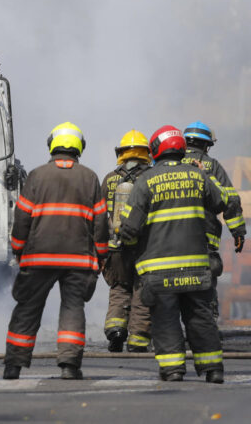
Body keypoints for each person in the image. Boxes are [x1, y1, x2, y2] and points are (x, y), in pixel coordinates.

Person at [120, 125, 228, 383]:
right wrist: (205, 176)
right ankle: (213, 369)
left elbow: (129, 229)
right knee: (200, 317)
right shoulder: (198, 176)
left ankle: (173, 369)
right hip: (196, 267)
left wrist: (131, 246)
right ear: (180, 148)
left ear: (156, 150)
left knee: (165, 319)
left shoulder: (145, 181)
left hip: (159, 271)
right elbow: (222, 201)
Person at [3, 122, 107, 381]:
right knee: (72, 309)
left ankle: (13, 365)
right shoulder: (90, 177)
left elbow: (22, 217)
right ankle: (69, 366)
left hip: (39, 258)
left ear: (53, 145)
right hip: (78, 260)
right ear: (79, 147)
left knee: (27, 308)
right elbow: (101, 223)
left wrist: (17, 248)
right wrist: (101, 255)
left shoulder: (37, 176)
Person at [183, 121, 246, 315]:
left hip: (169, 238)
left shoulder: (170, 163)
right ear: (206, 145)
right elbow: (230, 200)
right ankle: (207, 328)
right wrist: (238, 231)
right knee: (205, 288)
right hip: (205, 240)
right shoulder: (211, 165)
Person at [100, 130, 152, 353]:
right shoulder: (152, 176)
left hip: (116, 248)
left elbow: (100, 216)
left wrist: (100, 250)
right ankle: (138, 339)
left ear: (121, 153)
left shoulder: (110, 179)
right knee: (141, 290)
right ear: (146, 153)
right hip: (145, 247)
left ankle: (116, 331)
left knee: (119, 288)